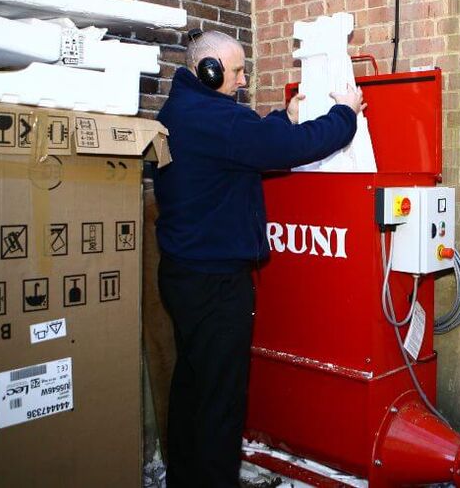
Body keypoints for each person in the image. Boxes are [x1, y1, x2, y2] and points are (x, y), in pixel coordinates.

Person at [154, 30, 365, 488]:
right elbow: (288, 149)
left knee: (192, 384)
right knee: (221, 400)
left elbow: (244, 145)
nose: (243, 79)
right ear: (208, 70)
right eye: (236, 71)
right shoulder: (218, 119)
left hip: (183, 275)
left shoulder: (180, 110)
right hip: (215, 284)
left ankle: (185, 480)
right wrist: (345, 114)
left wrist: (282, 119)